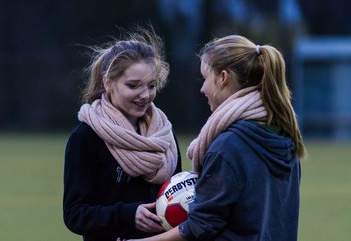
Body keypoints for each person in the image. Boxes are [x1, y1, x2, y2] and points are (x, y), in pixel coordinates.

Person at [122, 34, 306, 241]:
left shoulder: (228, 147)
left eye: (205, 78)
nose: (202, 89)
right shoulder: (285, 138)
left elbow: (201, 225)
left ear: (223, 78)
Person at [63, 26, 182, 241]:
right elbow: (75, 214)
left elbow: (176, 195)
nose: (145, 95)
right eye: (133, 85)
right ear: (108, 83)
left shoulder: (164, 136)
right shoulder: (86, 139)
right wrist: (127, 214)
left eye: (152, 85)